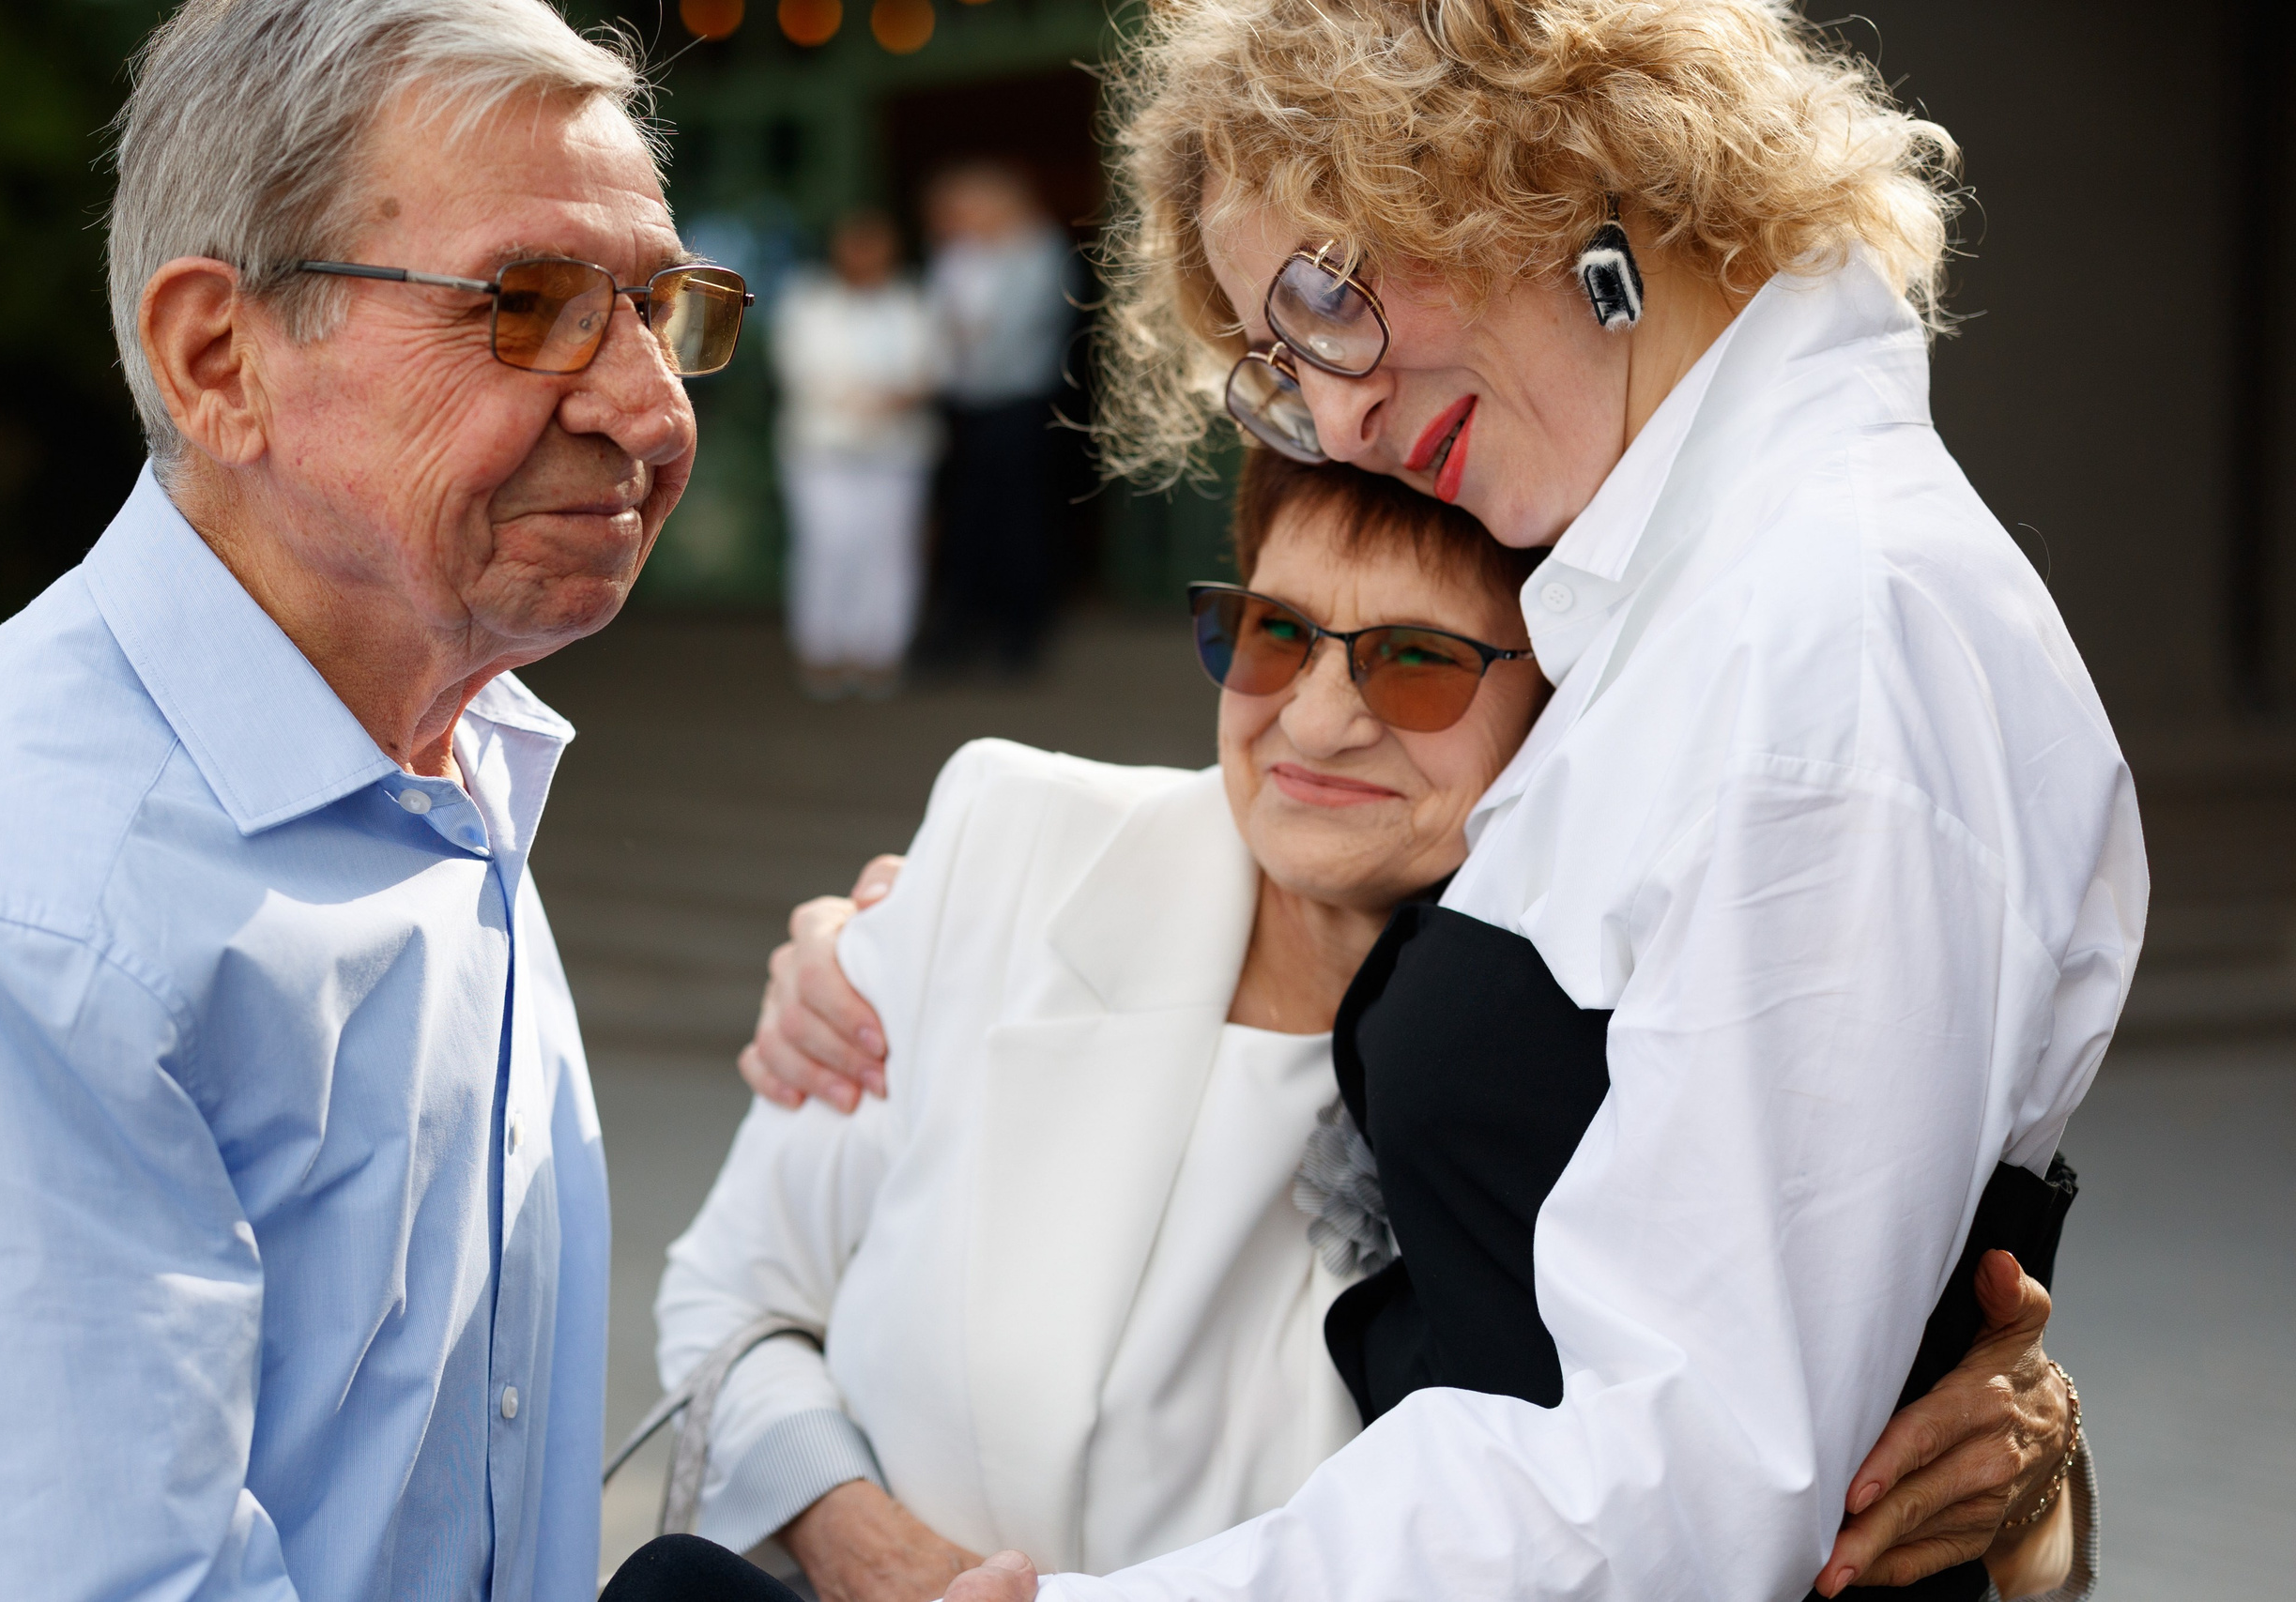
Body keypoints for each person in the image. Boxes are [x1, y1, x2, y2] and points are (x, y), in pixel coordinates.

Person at [733, 3, 2140, 1601]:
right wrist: (910, 938)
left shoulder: (1829, 624)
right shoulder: (1684, 593)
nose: (1337, 421)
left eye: (1329, 294)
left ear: (1546, 155)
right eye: (1280, 361)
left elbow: (1685, 1477)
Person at [0, 1, 751, 1596]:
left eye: (659, 308)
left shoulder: (450, 750)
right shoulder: (24, 906)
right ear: (219, 358)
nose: (651, 409)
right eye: (535, 304)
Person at [655, 456, 1550, 1599]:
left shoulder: (1591, 1067)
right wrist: (860, 1544)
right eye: (1273, 633)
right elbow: (732, 1300)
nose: (1317, 723)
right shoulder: (1008, 846)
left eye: (1418, 659)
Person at [774, 209, 942, 699]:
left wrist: (894, 398)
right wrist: (865, 399)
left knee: (890, 551)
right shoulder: (808, 300)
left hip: (897, 449)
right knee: (827, 545)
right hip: (822, 449)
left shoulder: (911, 301)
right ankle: (822, 650)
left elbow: (930, 367)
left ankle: (880, 653)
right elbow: (799, 368)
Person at [920, 160, 1077, 673]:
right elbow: (933, 322)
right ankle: (960, 627)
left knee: (1018, 519)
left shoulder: (1040, 249)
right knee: (965, 519)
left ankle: (1021, 633)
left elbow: (1024, 327)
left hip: (1017, 405)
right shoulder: (954, 256)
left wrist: (959, 351)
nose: (953, 219)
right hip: (961, 406)